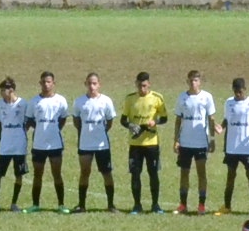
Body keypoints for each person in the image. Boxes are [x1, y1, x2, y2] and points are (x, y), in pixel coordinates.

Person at [121, 71, 168, 213]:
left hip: (152, 144)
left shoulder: (157, 98)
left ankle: (155, 205)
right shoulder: (130, 99)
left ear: (149, 84)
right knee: (135, 174)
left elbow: (165, 118)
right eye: (140, 86)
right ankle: (137, 205)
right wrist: (130, 125)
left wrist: (155, 122)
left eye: (145, 86)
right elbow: (123, 120)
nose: (142, 89)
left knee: (153, 173)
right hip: (135, 145)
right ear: (136, 84)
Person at [73, 72, 119, 212]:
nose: (92, 86)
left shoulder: (106, 101)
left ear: (99, 84)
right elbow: (76, 121)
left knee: (107, 173)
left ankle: (111, 205)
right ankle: (82, 205)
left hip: (101, 144)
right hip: (85, 144)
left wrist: (101, 132)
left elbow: (110, 121)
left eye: (94, 83)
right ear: (85, 84)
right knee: (84, 172)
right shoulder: (79, 101)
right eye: (89, 83)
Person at [219, 75, 249, 213]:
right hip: (232, 147)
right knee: (230, 176)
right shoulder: (229, 103)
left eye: (240, 92)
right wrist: (220, 127)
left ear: (245, 89)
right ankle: (227, 206)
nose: (238, 95)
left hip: (247, 147)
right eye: (236, 92)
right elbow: (226, 119)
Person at [26, 71, 71, 212]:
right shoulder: (34, 101)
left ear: (53, 83)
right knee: (37, 174)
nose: (46, 84)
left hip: (55, 144)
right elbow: (30, 120)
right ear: (40, 83)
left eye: (49, 82)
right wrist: (40, 128)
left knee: (56, 173)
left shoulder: (61, 100)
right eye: (43, 82)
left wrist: (55, 129)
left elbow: (63, 118)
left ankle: (61, 204)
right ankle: (35, 204)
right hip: (39, 144)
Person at [174, 69, 216, 213]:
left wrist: (212, 139)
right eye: (191, 80)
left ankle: (201, 205)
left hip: (201, 142)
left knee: (201, 173)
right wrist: (176, 140)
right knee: (184, 173)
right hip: (185, 143)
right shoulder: (182, 98)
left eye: (196, 80)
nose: (193, 83)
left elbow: (211, 119)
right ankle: (183, 204)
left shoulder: (207, 97)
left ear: (200, 81)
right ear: (187, 81)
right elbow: (178, 120)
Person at [0, 77, 30, 211]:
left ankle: (14, 203)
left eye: (3, 90)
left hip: (19, 145)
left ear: (11, 90)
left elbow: (28, 122)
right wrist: (1, 141)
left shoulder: (23, 104)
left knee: (19, 175)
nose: (1, 93)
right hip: (5, 145)